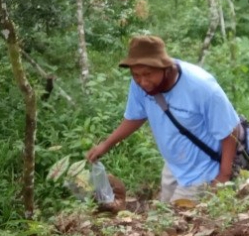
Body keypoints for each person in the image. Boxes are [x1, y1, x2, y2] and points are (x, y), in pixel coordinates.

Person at [87, 35, 240, 203]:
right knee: (163, 210)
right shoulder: (140, 84)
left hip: (203, 170)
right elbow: (135, 117)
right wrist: (106, 145)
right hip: (173, 167)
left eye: (148, 74)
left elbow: (230, 130)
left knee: (176, 218)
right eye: (136, 75)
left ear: (165, 68)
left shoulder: (202, 87)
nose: (143, 81)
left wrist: (223, 176)